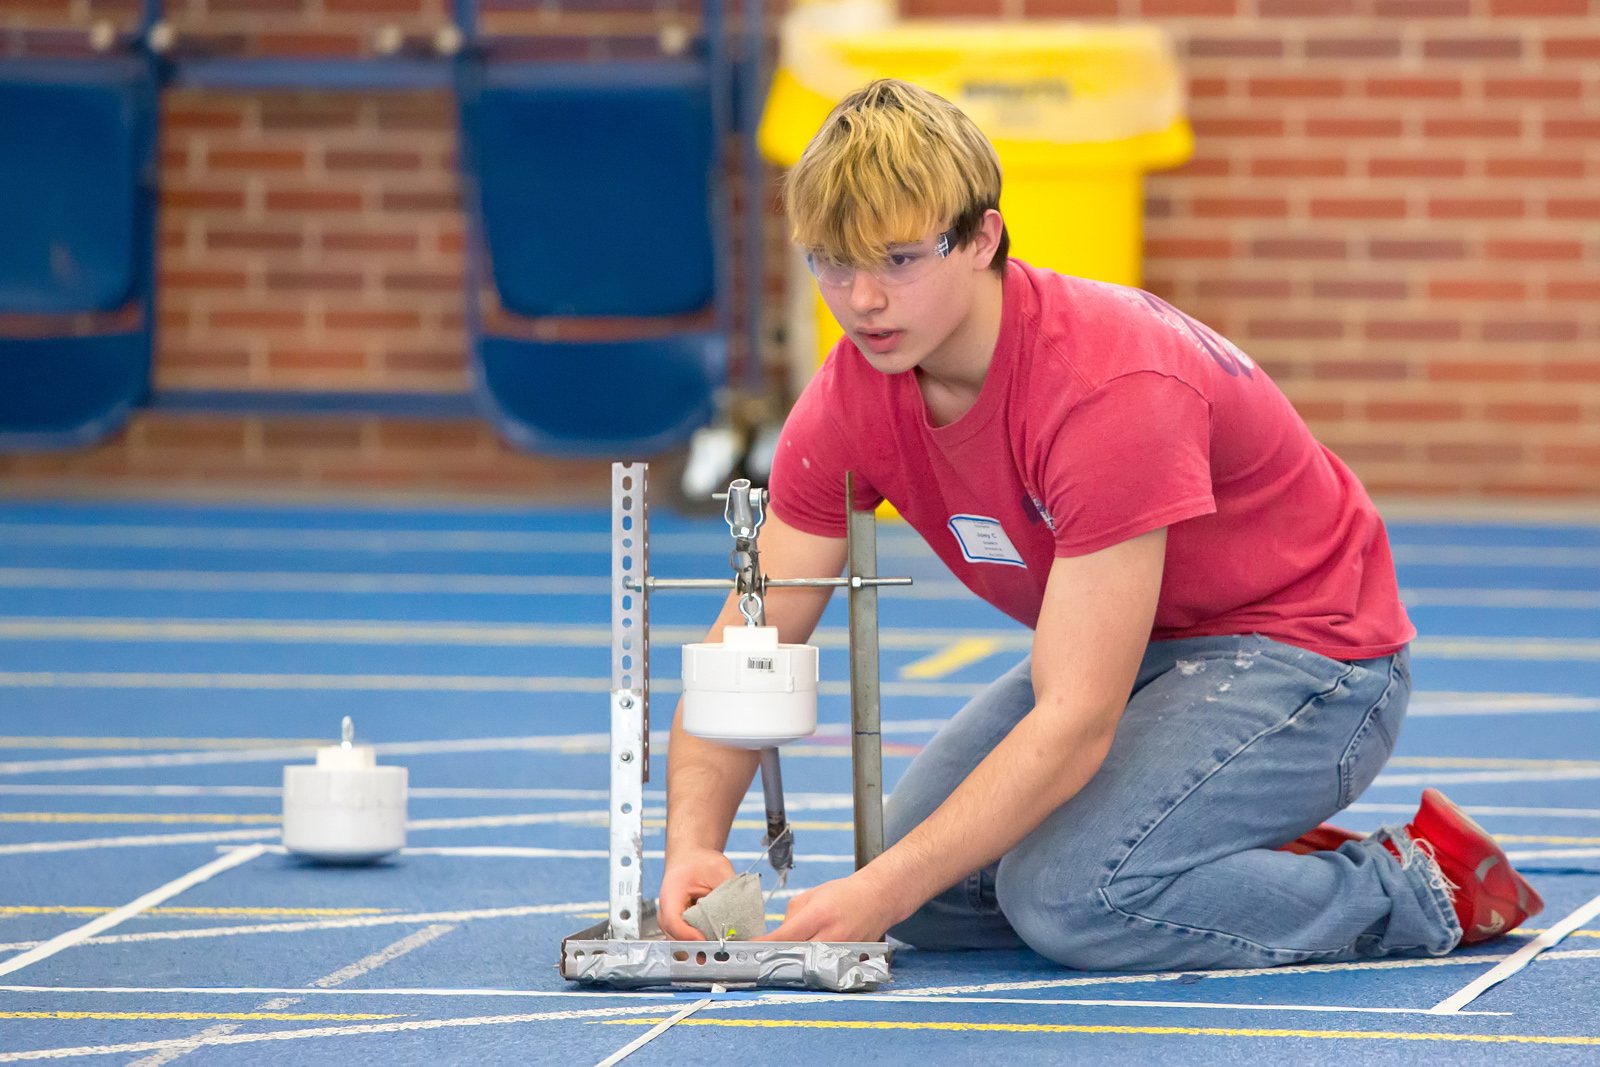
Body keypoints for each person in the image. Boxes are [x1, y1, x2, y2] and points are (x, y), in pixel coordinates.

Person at [656, 78, 1542, 971]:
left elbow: (1076, 717)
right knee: (925, 889)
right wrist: (693, 841)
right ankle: (1195, 845)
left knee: (1073, 897)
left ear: (983, 238)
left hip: (1313, 657)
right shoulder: (849, 400)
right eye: (832, 263)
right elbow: (750, 648)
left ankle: (1416, 886)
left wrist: (876, 892)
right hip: (1153, 650)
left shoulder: (1107, 390)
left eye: (898, 260)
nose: (863, 300)